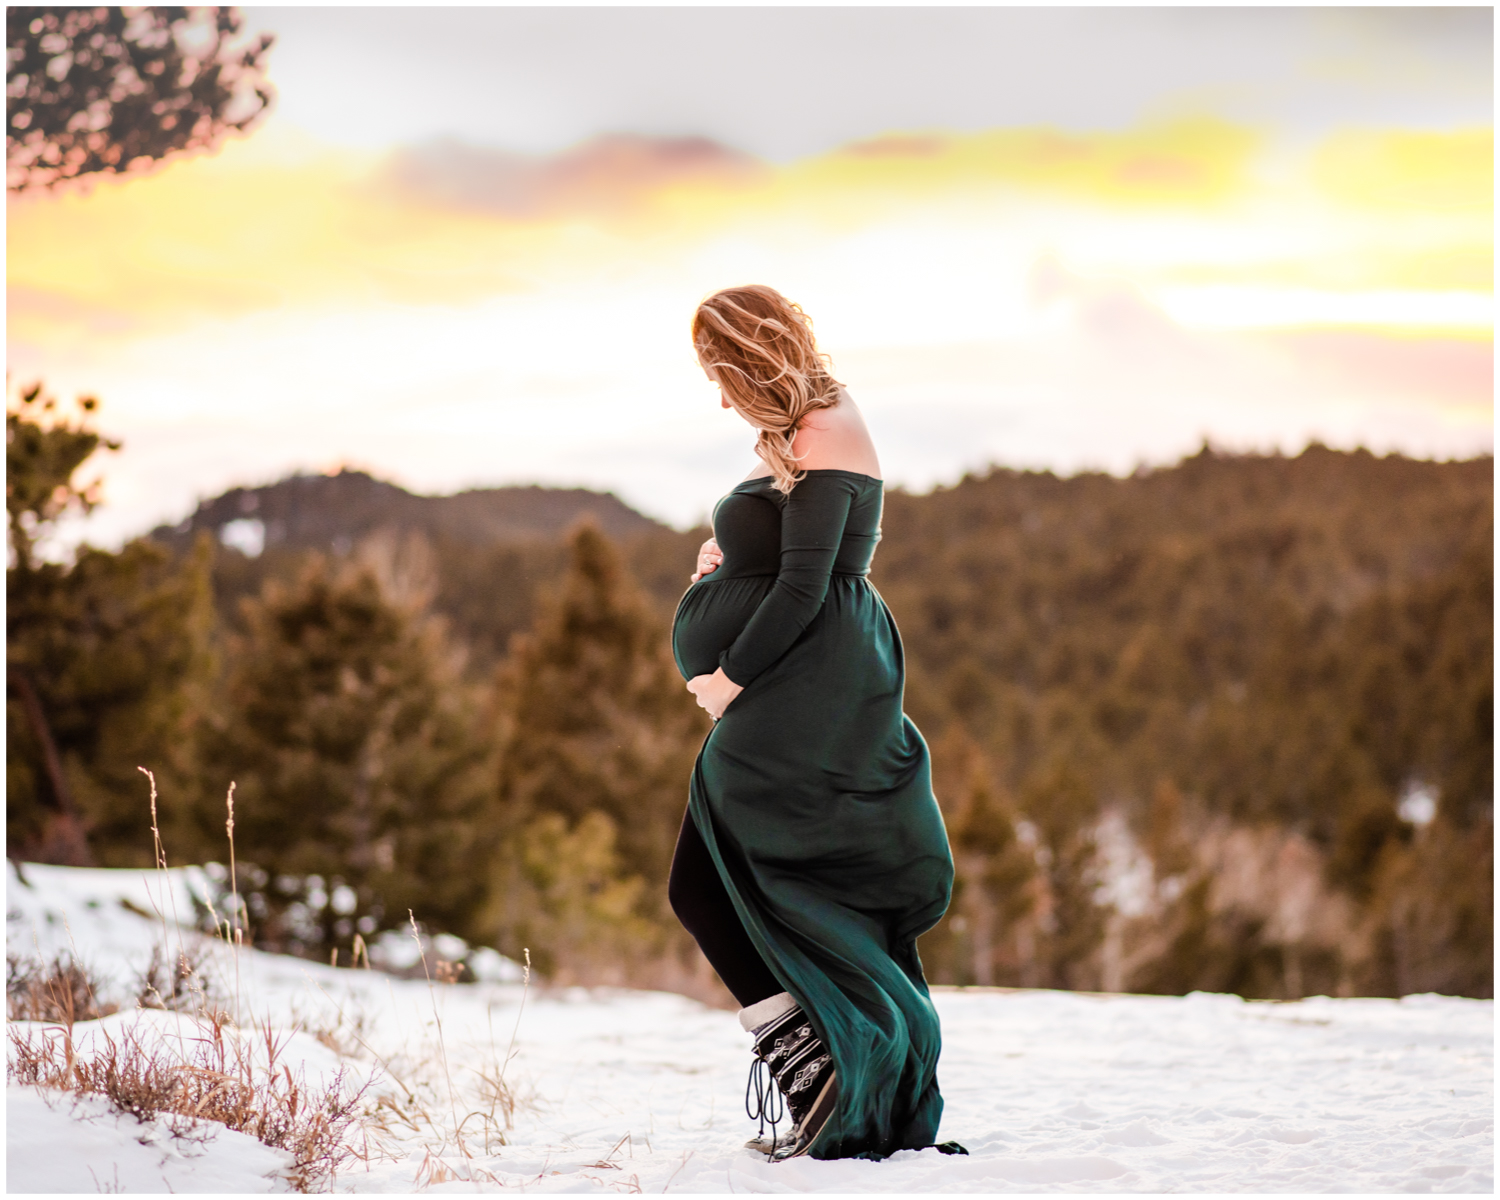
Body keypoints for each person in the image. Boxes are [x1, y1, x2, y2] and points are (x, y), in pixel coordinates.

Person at [667, 284, 955, 1162]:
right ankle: (819, 1070)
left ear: (749, 357)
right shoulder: (794, 433)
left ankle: (834, 1069)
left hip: (811, 682)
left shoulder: (825, 424)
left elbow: (805, 587)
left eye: (720, 376)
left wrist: (727, 680)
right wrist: (725, 560)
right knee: (722, 883)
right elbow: (787, 557)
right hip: (801, 678)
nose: (721, 399)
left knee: (734, 882)